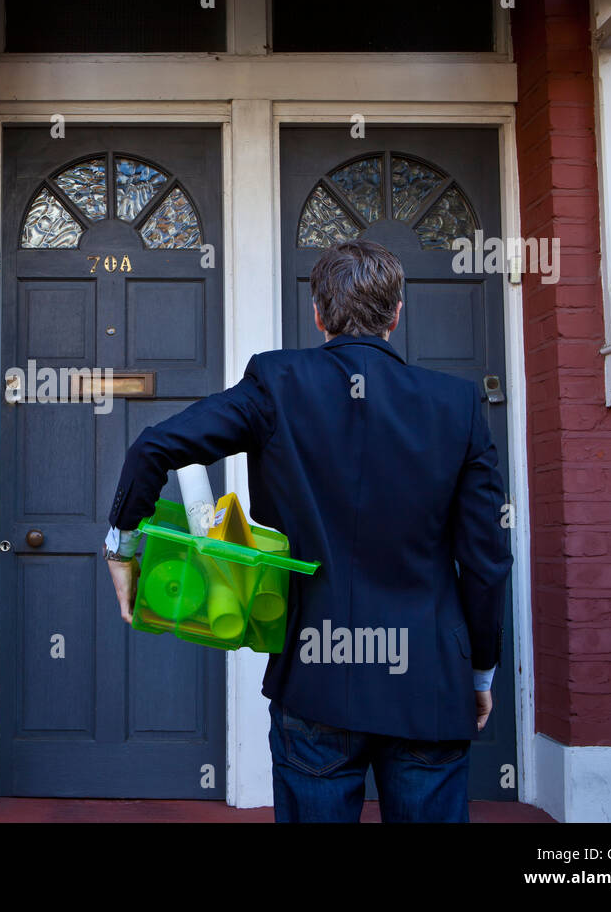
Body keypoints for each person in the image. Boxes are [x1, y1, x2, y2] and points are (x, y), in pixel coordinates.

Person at [102, 239, 513, 822]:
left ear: (319, 314)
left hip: (318, 683)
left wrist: (122, 547)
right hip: (430, 682)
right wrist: (480, 671)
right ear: (397, 313)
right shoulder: (458, 403)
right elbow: (487, 558)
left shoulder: (276, 382)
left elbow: (154, 446)